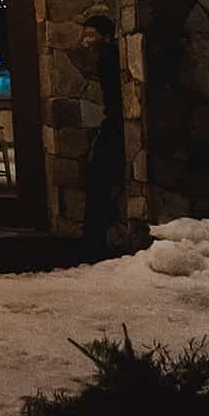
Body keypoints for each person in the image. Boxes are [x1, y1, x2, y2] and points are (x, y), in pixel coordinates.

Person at [80, 16, 126, 255]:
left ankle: (95, 238)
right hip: (114, 124)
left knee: (98, 179)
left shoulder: (107, 57)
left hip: (115, 125)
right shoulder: (110, 56)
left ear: (105, 36)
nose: (87, 41)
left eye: (91, 35)